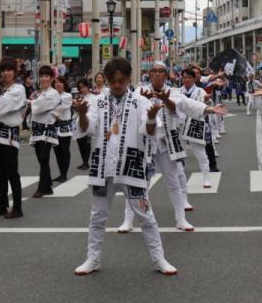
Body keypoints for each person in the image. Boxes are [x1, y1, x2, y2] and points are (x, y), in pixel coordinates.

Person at [72, 57, 178, 277]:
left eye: (121, 80)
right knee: (97, 216)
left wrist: (150, 119)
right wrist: (81, 113)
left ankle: (159, 258)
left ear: (129, 79)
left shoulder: (140, 101)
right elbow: (86, 128)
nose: (117, 85)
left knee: (146, 216)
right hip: (103, 166)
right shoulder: (97, 101)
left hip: (132, 165)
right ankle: (93, 257)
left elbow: (149, 132)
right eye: (113, 81)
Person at [120, 61, 223, 233]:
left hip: (166, 142)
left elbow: (188, 105)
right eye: (154, 71)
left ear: (166, 75)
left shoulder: (173, 92)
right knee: (136, 182)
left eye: (161, 71)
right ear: (149, 74)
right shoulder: (139, 92)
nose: (157, 74)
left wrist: (210, 109)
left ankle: (181, 219)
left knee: (173, 181)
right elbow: (128, 109)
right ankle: (128, 220)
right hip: (144, 141)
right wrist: (143, 101)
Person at [0, 58, 28, 219]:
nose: (6, 73)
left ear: (15, 72)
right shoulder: (2, 90)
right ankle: (2, 205)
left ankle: (17, 207)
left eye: (9, 70)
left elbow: (5, 107)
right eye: (3, 70)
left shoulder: (18, 89)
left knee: (11, 172)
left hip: (8, 135)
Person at [28, 66, 63, 198]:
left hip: (47, 128)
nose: (44, 78)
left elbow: (41, 106)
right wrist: (33, 102)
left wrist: (31, 102)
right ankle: (47, 186)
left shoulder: (52, 93)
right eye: (42, 76)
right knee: (42, 159)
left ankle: (42, 187)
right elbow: (37, 105)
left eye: (46, 76)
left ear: (51, 78)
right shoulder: (39, 93)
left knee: (43, 158)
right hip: (37, 128)